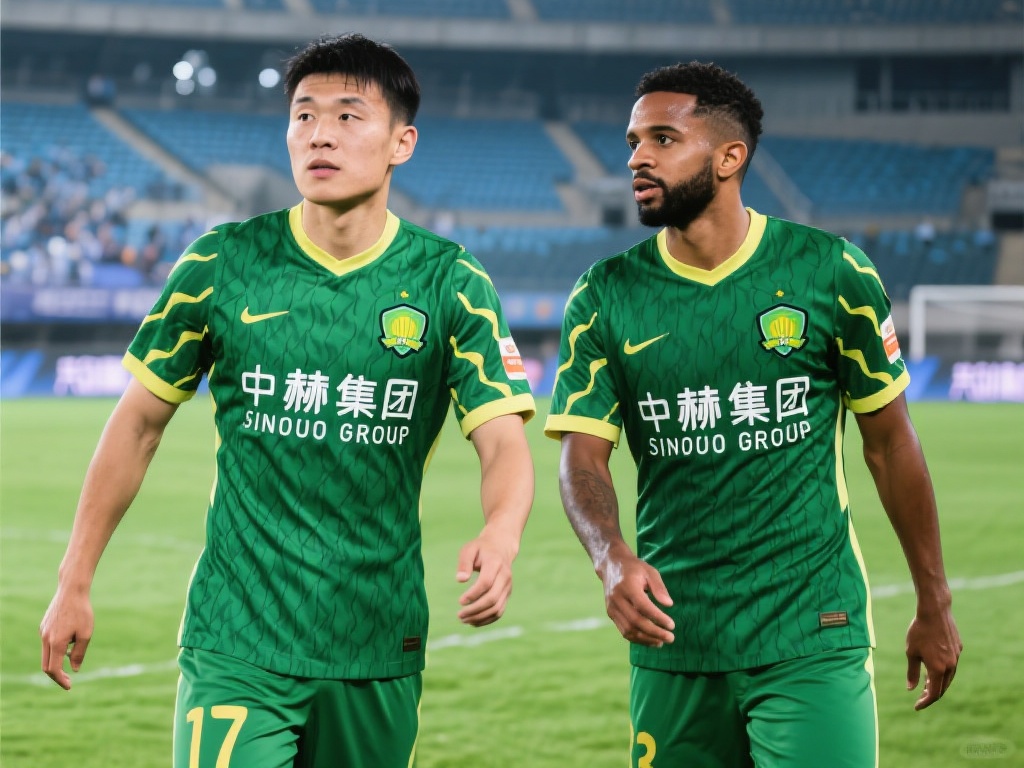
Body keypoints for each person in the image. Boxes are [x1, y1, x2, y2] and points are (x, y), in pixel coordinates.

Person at [40, 33, 535, 768]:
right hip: (237, 634)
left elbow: (502, 442)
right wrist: (73, 578)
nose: (319, 134)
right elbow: (137, 424)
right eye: (304, 115)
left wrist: (502, 531)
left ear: (401, 143)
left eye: (348, 116)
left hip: (376, 639)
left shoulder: (451, 282)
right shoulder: (222, 261)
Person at [545, 61, 961, 767]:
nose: (637, 158)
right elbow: (581, 456)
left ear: (729, 157)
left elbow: (891, 444)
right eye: (633, 141)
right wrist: (609, 557)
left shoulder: (830, 271)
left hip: (811, 628)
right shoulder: (604, 295)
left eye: (663, 139)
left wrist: (934, 599)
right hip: (675, 636)